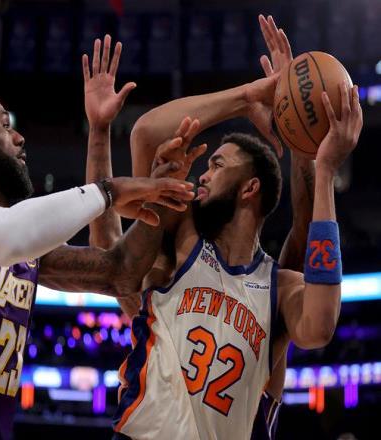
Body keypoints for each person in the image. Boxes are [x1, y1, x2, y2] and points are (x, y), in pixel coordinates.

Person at [84, 27, 362, 440]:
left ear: (250, 188)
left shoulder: (279, 288)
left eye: (216, 165)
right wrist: (248, 97)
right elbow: (146, 136)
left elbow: (320, 321)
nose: (203, 174)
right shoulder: (179, 245)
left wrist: (318, 163)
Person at [0, 92, 195, 439]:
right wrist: (109, 191)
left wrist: (160, 185)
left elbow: (120, 273)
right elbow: (11, 234)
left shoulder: (28, 252)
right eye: (6, 126)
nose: (19, 138)